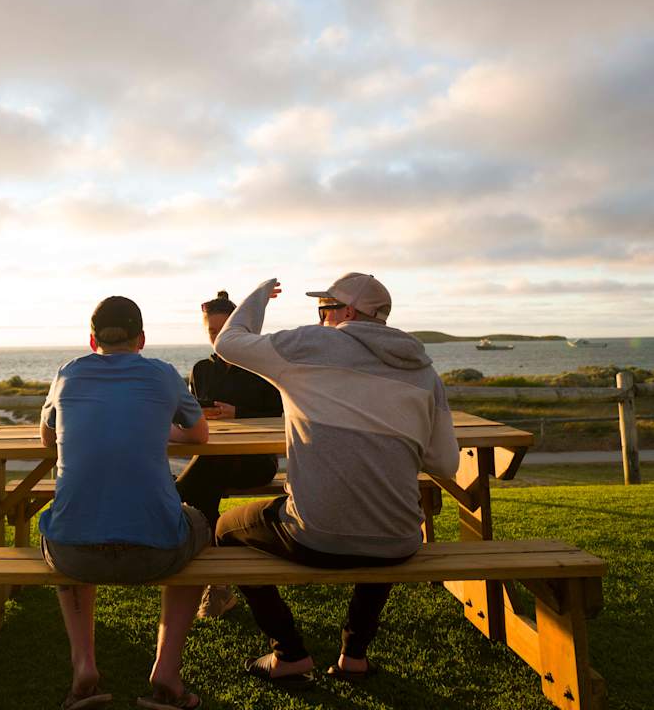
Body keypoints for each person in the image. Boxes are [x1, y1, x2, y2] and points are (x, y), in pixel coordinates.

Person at [211, 273, 460, 689]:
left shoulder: (311, 345)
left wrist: (257, 297)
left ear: (347, 313)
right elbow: (446, 463)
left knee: (225, 529)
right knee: (383, 520)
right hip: (400, 542)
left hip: (315, 537)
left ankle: (288, 652)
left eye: (324, 308)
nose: (321, 317)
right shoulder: (424, 371)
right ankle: (354, 657)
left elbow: (228, 341)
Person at [38, 295, 211, 710]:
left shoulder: (68, 373)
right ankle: (166, 674)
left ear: (92, 341)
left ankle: (84, 668)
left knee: (62, 524)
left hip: (74, 556)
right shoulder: (163, 375)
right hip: (157, 553)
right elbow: (200, 436)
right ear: (142, 339)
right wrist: (160, 430)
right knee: (202, 525)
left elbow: (46, 440)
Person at [176, 290, 282, 618]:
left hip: (256, 462)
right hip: (212, 459)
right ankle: (218, 584)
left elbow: (283, 414)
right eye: (211, 333)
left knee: (189, 491)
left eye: (224, 332)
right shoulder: (201, 370)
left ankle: (208, 575)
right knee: (203, 490)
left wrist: (240, 413)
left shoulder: (262, 368)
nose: (217, 339)